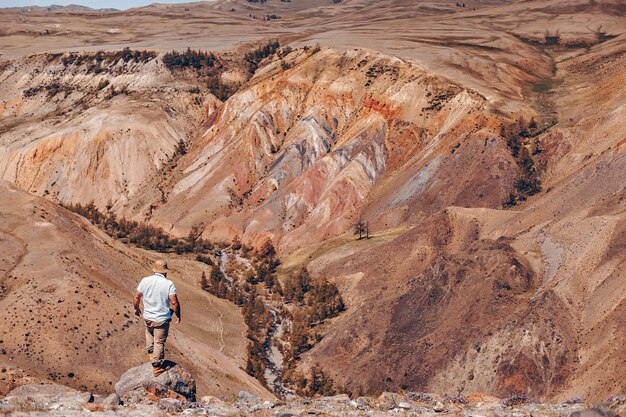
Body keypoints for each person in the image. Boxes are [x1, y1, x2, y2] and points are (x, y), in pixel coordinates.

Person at [133, 260, 181, 376]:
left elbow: (137, 297)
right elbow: (174, 303)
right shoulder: (169, 284)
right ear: (165, 272)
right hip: (161, 319)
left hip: (148, 316)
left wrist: (136, 308)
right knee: (159, 342)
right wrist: (178, 315)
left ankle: (151, 352)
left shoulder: (145, 280)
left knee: (149, 332)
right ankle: (157, 367)